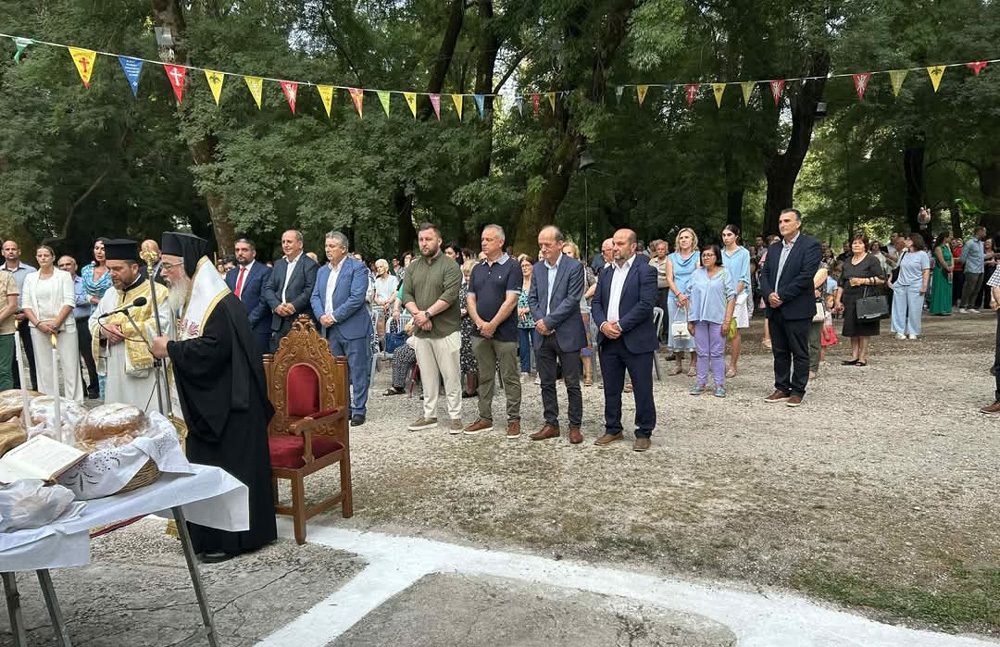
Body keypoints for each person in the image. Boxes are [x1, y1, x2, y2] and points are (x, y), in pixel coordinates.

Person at [151, 232, 277, 563]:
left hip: (232, 408)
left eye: (168, 266)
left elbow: (213, 351)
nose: (164, 274)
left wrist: (171, 349)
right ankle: (208, 534)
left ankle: (234, 539)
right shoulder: (196, 298)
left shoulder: (218, 303)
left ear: (188, 265)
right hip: (213, 404)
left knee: (230, 471)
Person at [591, 228, 658, 450]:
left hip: (636, 339)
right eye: (614, 243)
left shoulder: (645, 270)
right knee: (611, 387)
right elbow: (596, 303)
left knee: (642, 387)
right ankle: (613, 428)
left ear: (633, 246)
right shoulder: (606, 272)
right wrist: (603, 325)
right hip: (609, 339)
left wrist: (620, 325)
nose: (615, 248)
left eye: (620, 244)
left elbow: (645, 304)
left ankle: (644, 431)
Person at [89, 239, 172, 412]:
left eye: (117, 269)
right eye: (109, 269)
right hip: (115, 370)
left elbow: (163, 327)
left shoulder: (157, 292)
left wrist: (124, 329)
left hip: (146, 375)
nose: (111, 274)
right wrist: (104, 329)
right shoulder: (110, 294)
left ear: (134, 268)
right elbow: (94, 320)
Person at [402, 223, 464, 433]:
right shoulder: (413, 268)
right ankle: (430, 415)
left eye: (428, 239)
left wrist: (427, 314)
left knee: (451, 375)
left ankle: (456, 416)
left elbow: (449, 295)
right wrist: (419, 316)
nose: (424, 243)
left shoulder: (450, 266)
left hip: (446, 330)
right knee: (427, 376)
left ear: (439, 241)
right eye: (421, 239)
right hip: (422, 331)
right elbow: (406, 294)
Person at [528, 226, 587, 444]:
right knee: (546, 381)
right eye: (540, 245)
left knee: (572, 382)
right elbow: (532, 298)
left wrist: (549, 322)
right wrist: (541, 321)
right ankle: (551, 423)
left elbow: (572, 300)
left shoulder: (574, 267)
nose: (543, 249)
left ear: (560, 244)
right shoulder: (537, 268)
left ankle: (574, 425)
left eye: (547, 245)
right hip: (542, 333)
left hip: (566, 332)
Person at [759, 208, 822, 407]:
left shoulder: (810, 245)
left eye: (787, 221)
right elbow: (764, 274)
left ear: (798, 223)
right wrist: (769, 294)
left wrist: (782, 296)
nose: (782, 225)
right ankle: (782, 387)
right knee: (780, 351)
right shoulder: (774, 248)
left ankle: (797, 390)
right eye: (780, 221)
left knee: (799, 351)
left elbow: (806, 275)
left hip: (797, 307)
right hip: (775, 307)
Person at [310, 231, 373, 426]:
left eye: (332, 246)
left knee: (358, 370)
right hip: (330, 329)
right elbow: (315, 296)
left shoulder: (357, 268)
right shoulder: (322, 271)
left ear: (343, 249)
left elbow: (356, 298)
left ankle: (359, 409)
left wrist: (334, 316)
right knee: (337, 372)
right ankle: (344, 408)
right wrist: (321, 316)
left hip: (352, 327)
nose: (327, 249)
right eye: (326, 246)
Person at [465, 225, 522, 438]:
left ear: (500, 242)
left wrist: (493, 324)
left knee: (509, 377)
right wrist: (480, 323)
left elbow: (511, 300)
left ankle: (513, 419)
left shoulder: (512, 266)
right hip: (479, 332)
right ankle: (484, 417)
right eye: (482, 239)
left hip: (505, 332)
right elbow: (471, 299)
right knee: (485, 376)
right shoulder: (477, 269)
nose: (484, 243)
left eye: (488, 239)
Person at [22, 246, 83, 401]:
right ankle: (47, 402)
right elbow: (26, 305)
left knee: (70, 366)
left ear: (53, 257)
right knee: (44, 368)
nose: (43, 258)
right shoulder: (30, 278)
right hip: (39, 327)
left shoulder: (64, 276)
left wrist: (56, 324)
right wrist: (38, 324)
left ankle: (74, 402)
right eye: (39, 255)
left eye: (46, 255)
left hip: (64, 325)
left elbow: (69, 302)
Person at [685, 244, 736, 397]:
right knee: (701, 352)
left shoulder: (725, 273)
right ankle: (701, 383)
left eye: (709, 255)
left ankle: (719, 384)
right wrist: (690, 320)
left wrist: (727, 321)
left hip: (718, 318)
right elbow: (689, 297)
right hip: (699, 318)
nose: (706, 258)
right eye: (704, 255)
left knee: (717, 353)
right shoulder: (696, 274)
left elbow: (731, 297)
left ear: (717, 257)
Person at [833, 234, 885, 367]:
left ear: (865, 246)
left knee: (864, 328)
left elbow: (881, 279)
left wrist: (862, 280)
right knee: (852, 328)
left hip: (866, 297)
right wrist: (837, 300)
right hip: (849, 298)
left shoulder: (872, 260)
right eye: (854, 243)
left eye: (860, 243)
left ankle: (862, 357)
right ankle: (854, 356)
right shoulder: (847, 262)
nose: (856, 245)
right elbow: (841, 283)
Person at [263, 230, 317, 351]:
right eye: (283, 242)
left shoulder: (310, 265)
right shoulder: (278, 264)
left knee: (300, 359)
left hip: (300, 321)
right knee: (279, 359)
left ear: (300, 244)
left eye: (289, 242)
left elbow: (310, 290)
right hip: (279, 321)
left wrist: (293, 306)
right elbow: (269, 288)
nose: (285, 245)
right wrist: (276, 306)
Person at [58, 256, 100, 399]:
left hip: (82, 322)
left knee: (89, 357)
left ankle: (94, 387)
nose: (65, 267)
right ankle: (79, 388)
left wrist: (71, 298)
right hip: (64, 323)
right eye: (61, 265)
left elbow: (89, 298)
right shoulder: (56, 284)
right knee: (71, 358)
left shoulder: (84, 282)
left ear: (75, 267)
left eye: (68, 264)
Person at [225, 237, 272, 355]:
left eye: (244, 250)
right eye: (237, 250)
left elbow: (264, 302)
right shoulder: (230, 274)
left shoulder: (265, 271)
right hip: (234, 329)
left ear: (253, 253)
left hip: (257, 329)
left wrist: (247, 323)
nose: (240, 253)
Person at [1, 240, 37, 390]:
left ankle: (37, 387)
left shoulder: (31, 271)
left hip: (28, 316)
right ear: (3, 252)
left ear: (19, 251)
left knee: (32, 353)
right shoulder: (1, 272)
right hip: (7, 319)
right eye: (7, 249)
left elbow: (35, 295)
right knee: (11, 358)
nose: (10, 251)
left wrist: (26, 314)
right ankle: (16, 388)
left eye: (13, 249)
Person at [665, 228, 700, 376]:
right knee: (676, 329)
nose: (684, 240)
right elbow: (669, 278)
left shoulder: (698, 256)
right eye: (681, 238)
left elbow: (698, 276)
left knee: (692, 329)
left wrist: (686, 296)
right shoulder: (671, 257)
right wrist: (679, 295)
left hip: (692, 296)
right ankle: (678, 363)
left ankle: (693, 364)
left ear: (693, 240)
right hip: (674, 296)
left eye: (687, 237)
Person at [563, 242, 597, 387]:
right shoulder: (559, 269)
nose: (566, 255)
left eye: (569, 253)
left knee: (585, 343)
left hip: (581, 309)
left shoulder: (583, 269)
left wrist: (585, 295)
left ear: (575, 254)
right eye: (564, 253)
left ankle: (588, 375)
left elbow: (595, 284)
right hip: (563, 311)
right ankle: (570, 374)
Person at [721, 224, 751, 378]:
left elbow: (744, 278)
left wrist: (733, 294)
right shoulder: (720, 253)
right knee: (719, 330)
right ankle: (719, 363)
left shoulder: (744, 253)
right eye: (724, 235)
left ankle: (733, 365)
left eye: (729, 235)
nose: (726, 238)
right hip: (720, 295)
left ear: (736, 236)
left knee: (734, 330)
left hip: (738, 296)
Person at [888, 233, 931, 340]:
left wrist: (924, 286)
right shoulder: (904, 253)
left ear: (914, 241)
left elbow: (926, 271)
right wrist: (890, 279)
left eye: (908, 240)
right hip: (901, 285)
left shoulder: (922, 255)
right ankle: (899, 331)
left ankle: (913, 331)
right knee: (898, 309)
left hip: (915, 285)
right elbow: (897, 268)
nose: (905, 241)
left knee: (914, 309)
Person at [458, 259, 479, 398]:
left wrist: (467, 311)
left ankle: (473, 387)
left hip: (474, 324)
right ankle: (471, 386)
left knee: (473, 355)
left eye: (469, 275)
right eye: (465, 275)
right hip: (463, 325)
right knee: (466, 355)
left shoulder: (480, 288)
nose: (467, 278)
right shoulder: (463, 288)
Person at [516, 254, 536, 380]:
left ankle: (540, 371)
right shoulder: (518, 282)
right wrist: (517, 310)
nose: (525, 268)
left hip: (534, 318)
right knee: (523, 347)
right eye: (522, 266)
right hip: (520, 320)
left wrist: (528, 309)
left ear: (532, 266)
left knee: (537, 345)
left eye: (527, 265)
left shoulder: (536, 282)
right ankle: (525, 371)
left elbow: (541, 299)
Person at [959, 226, 987, 313]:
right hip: (971, 269)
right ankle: (962, 306)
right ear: (979, 231)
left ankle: (971, 306)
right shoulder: (969, 243)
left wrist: (992, 255)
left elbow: (981, 256)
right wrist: (967, 265)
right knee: (968, 288)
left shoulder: (981, 244)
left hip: (981, 269)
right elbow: (963, 257)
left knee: (977, 288)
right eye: (984, 232)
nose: (985, 234)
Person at [648, 240, 670, 345]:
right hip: (654, 290)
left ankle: (666, 335)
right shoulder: (652, 261)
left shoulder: (669, 261)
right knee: (654, 312)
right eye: (658, 249)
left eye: (662, 249)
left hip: (666, 289)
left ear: (666, 251)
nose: (660, 251)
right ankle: (654, 335)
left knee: (666, 312)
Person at [372, 259, 398, 344]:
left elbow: (396, 293)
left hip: (391, 306)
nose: (379, 269)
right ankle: (381, 345)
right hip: (380, 307)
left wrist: (389, 302)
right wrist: (380, 302)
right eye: (377, 267)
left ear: (386, 267)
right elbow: (375, 296)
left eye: (381, 267)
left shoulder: (393, 279)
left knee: (391, 329)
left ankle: (390, 345)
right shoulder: (377, 281)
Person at [0, 271, 19, 390]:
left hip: (4, 331)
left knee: (3, 370)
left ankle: (4, 399)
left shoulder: (6, 277)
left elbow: (13, 305)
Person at [929, 233, 954, 316]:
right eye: (949, 237)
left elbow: (951, 257)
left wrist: (952, 266)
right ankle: (939, 309)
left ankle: (946, 308)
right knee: (940, 288)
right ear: (945, 238)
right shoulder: (938, 248)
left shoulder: (947, 247)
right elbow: (941, 260)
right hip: (941, 270)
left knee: (947, 288)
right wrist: (947, 267)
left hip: (949, 269)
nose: (951, 238)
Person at [977, 238, 996, 310]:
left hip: (991, 271)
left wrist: (994, 263)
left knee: (989, 288)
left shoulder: (994, 252)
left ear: (992, 244)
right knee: (980, 287)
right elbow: (978, 262)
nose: (987, 243)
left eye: (989, 242)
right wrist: (988, 262)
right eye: (986, 242)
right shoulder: (981, 251)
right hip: (982, 270)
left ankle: (987, 305)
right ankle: (977, 304)